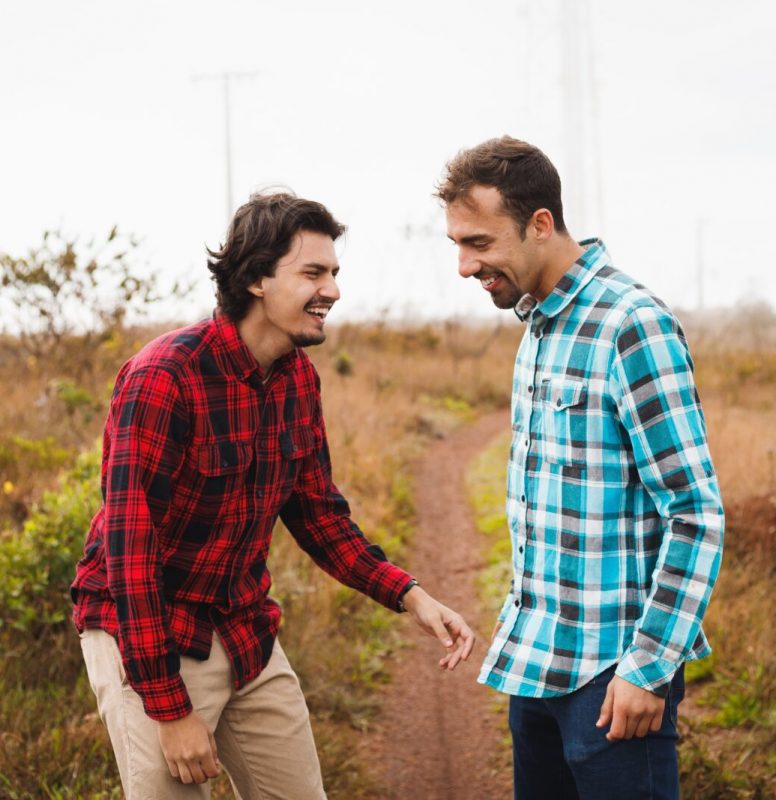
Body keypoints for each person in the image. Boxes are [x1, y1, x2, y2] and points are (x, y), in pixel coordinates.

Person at [71, 191, 474, 799]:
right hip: (148, 634)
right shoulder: (164, 378)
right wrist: (168, 706)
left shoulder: (297, 379)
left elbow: (319, 517)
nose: (333, 290)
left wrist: (411, 596)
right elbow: (131, 554)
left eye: (334, 273)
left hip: (244, 629)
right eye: (313, 273)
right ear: (257, 277)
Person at [437, 136, 723, 800]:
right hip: (535, 665)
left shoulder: (631, 324)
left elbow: (694, 512)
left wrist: (648, 669)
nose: (463, 264)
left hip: (612, 678)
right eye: (456, 244)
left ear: (541, 223)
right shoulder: (538, 327)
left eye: (479, 242)